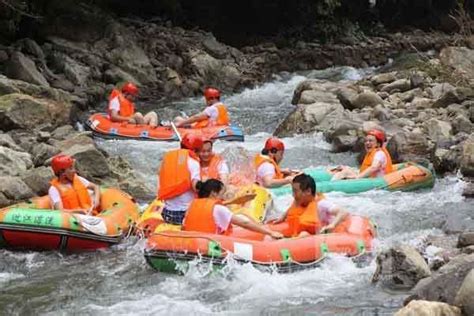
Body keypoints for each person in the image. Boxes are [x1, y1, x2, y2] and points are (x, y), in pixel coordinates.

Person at [183, 179, 283, 239]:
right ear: (214, 193)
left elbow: (184, 226)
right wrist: (270, 232)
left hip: (192, 244)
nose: (222, 198)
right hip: (211, 245)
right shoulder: (218, 209)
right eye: (221, 194)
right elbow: (245, 223)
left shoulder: (191, 205)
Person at [271, 174, 348, 237]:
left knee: (303, 234)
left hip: (321, 236)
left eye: (295, 191)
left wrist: (332, 225)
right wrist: (282, 217)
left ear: (308, 191)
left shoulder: (321, 204)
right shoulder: (299, 201)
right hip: (302, 234)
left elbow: (343, 212)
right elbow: (292, 210)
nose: (293, 195)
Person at [157, 134, 203, 225]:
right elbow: (196, 186)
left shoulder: (167, 159)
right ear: (194, 150)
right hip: (184, 213)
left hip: (167, 212)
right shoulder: (193, 163)